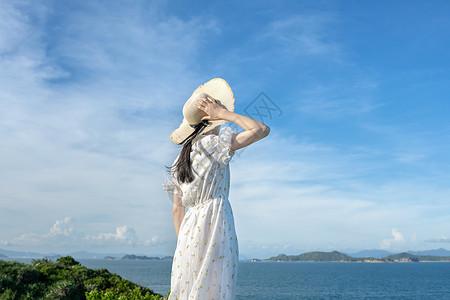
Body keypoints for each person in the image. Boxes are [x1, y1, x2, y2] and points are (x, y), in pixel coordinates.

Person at [162, 78, 270, 299]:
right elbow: (261, 129)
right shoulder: (214, 145)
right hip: (213, 223)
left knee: (190, 290)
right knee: (214, 289)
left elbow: (177, 210)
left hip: (188, 232)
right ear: (211, 118)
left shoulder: (177, 163)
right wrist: (224, 113)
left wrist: (183, 242)